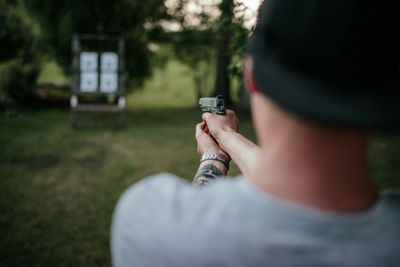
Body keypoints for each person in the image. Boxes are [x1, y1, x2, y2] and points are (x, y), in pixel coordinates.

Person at [111, 0, 400, 266]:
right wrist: (225, 138)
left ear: (253, 76)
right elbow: (295, 176)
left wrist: (213, 161)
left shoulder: (150, 220)